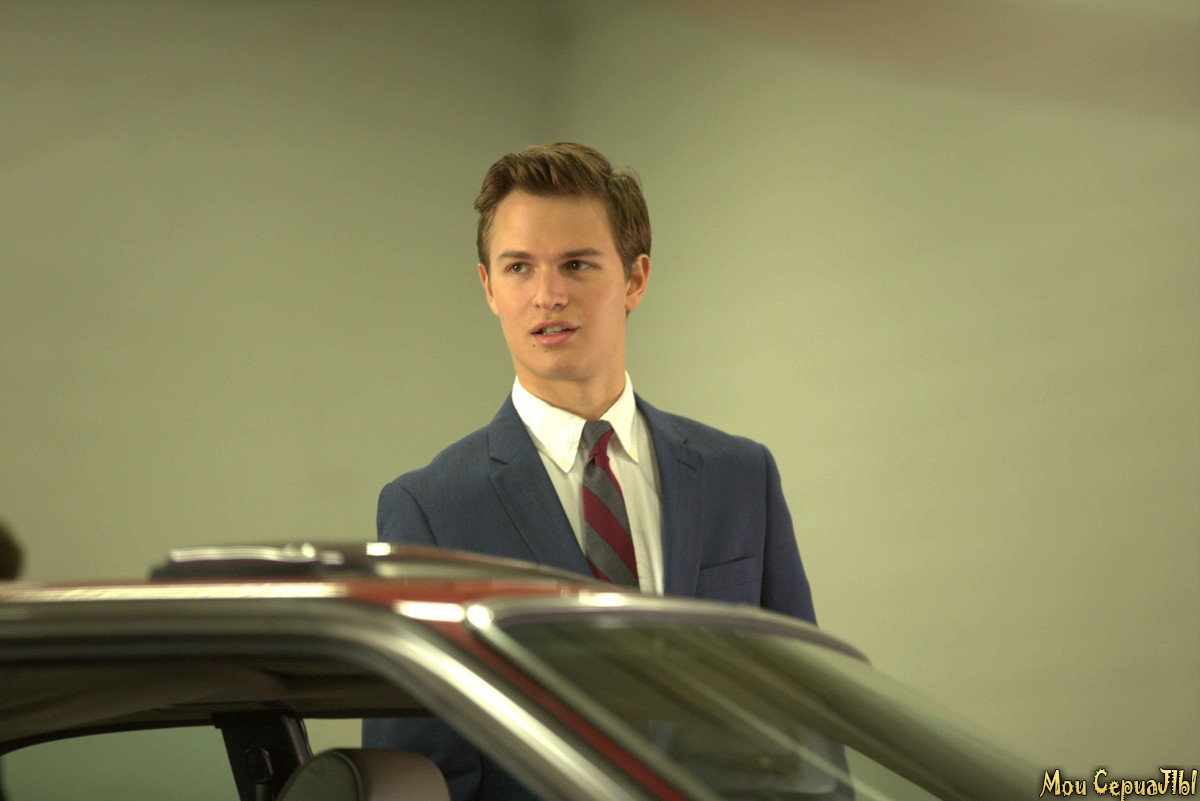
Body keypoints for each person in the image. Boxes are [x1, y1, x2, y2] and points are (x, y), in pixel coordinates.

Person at [364, 143, 816, 800]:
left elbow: (805, 727)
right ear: (488, 287)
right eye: (519, 267)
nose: (548, 295)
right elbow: (417, 776)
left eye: (576, 264)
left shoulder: (741, 477)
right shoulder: (430, 510)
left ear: (635, 278)